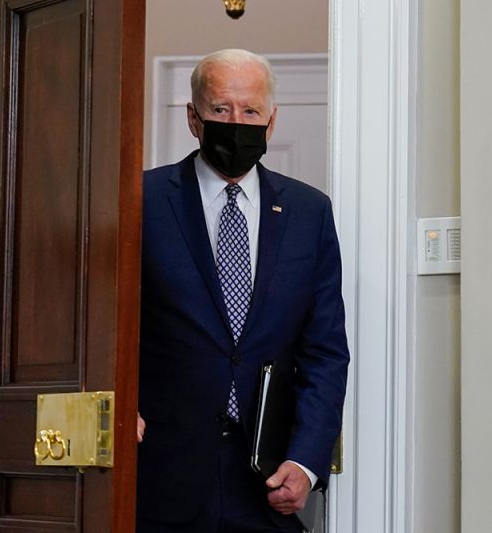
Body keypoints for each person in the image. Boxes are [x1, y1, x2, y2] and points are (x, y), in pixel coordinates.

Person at [137, 49, 349, 532]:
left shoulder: (308, 212)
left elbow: (325, 352)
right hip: (160, 473)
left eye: (250, 111)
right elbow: (100, 321)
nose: (237, 121)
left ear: (271, 122)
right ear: (194, 118)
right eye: (220, 109)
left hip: (268, 478)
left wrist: (307, 460)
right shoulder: (139, 200)